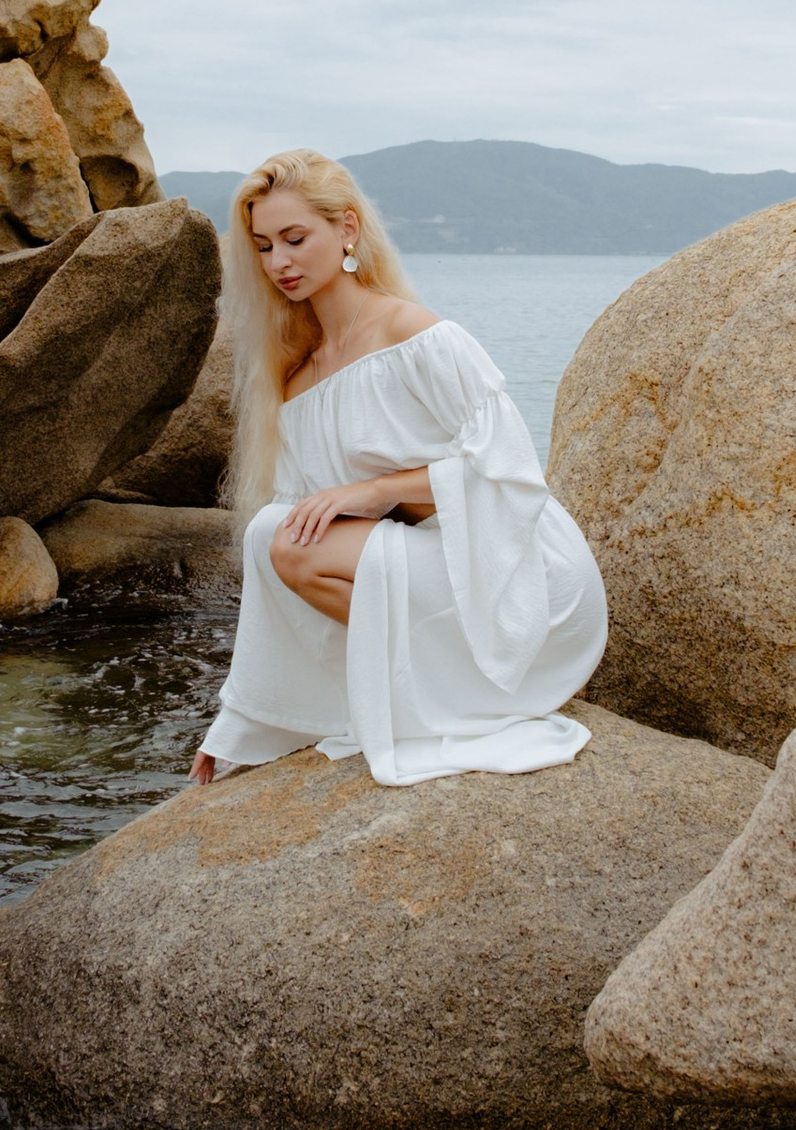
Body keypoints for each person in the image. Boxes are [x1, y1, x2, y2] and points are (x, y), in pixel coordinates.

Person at [191, 148, 607, 789]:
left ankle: (452, 691)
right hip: (429, 574)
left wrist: (377, 491)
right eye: (264, 246)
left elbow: (511, 471)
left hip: (516, 575)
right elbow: (288, 555)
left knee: (283, 541)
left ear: (348, 230)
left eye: (296, 238)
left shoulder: (413, 334)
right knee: (271, 534)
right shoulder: (297, 378)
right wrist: (240, 723)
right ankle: (431, 689)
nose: (280, 263)